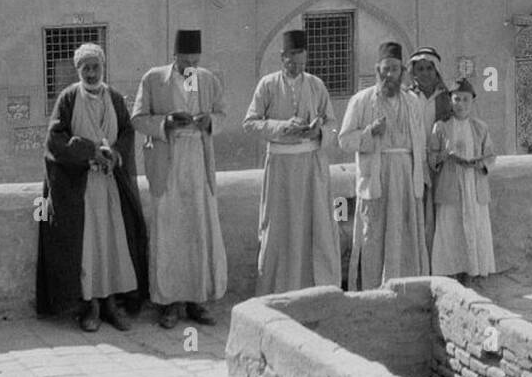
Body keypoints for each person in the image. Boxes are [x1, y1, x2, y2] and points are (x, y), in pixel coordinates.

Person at [37, 43, 148, 332]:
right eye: (85, 67)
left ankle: (111, 304)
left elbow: (126, 131)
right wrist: (89, 152)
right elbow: (54, 140)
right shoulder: (68, 98)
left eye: (95, 66)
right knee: (88, 248)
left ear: (103, 67)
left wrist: (116, 154)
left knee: (113, 245)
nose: (90, 72)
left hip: (111, 185)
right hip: (82, 189)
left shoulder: (114, 97)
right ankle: (91, 307)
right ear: (77, 70)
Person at [131, 29, 227, 328]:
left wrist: (209, 121)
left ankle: (196, 301)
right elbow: (137, 119)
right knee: (169, 234)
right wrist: (166, 123)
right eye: (184, 60)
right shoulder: (153, 79)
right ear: (174, 56)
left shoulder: (208, 79)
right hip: (167, 163)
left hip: (198, 162)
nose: (189, 65)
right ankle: (169, 304)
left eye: (193, 60)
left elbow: (222, 115)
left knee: (197, 229)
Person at [243, 29, 340, 294]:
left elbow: (332, 124)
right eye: (291, 59)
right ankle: (277, 289)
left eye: (301, 59)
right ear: (281, 57)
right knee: (280, 227)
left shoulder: (316, 85)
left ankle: (312, 289)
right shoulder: (267, 85)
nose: (295, 64)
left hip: (311, 167)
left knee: (314, 225)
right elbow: (250, 123)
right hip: (281, 169)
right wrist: (282, 126)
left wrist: (317, 131)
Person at [337, 41, 428, 290]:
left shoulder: (412, 102)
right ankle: (373, 289)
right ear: (377, 70)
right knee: (373, 234)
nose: (390, 75)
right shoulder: (361, 101)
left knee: (405, 233)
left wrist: (420, 176)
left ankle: (407, 288)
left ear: (402, 72)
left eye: (395, 69)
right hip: (376, 176)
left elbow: (420, 143)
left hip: (406, 177)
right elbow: (344, 140)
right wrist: (369, 133)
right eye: (385, 69)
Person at [428, 78, 497, 283]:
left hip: (474, 185)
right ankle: (451, 273)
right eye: (457, 99)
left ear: (472, 102)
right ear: (450, 101)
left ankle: (471, 272)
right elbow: (431, 158)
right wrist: (445, 157)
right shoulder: (440, 127)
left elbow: (491, 156)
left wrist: (479, 164)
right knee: (450, 229)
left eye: (465, 100)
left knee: (475, 227)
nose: (461, 104)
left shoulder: (480, 127)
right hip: (451, 185)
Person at [407, 46, 452, 258]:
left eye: (429, 68)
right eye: (420, 68)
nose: (425, 73)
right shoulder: (406, 96)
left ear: (436, 71)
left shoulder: (449, 97)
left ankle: (441, 261)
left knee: (441, 214)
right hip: (413, 164)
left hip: (441, 164)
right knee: (417, 215)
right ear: (413, 72)